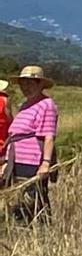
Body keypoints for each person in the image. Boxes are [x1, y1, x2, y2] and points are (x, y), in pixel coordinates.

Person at [5, 66, 59, 222]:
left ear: (40, 84)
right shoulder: (25, 105)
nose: (25, 88)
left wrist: (46, 163)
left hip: (33, 159)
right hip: (18, 158)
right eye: (23, 84)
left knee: (35, 198)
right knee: (19, 198)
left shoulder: (46, 105)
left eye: (30, 84)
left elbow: (48, 136)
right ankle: (22, 230)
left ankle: (43, 232)